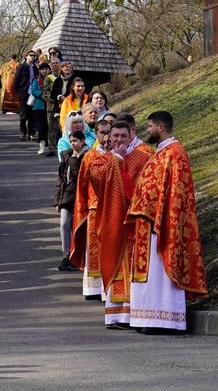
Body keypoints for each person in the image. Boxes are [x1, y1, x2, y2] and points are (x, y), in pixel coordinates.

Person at [126, 111, 208, 335]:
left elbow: (177, 193)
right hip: (148, 222)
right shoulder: (161, 152)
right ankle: (149, 318)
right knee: (150, 274)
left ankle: (166, 320)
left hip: (163, 223)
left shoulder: (176, 153)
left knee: (161, 274)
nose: (147, 130)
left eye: (150, 126)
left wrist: (161, 215)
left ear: (161, 127)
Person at [101, 115, 154, 329]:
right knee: (114, 260)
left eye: (124, 135)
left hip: (133, 220)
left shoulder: (142, 158)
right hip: (111, 218)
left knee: (132, 266)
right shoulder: (103, 158)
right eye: (115, 136)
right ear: (109, 138)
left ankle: (133, 314)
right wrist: (116, 160)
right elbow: (98, 183)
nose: (119, 140)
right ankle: (116, 315)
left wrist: (121, 164)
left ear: (132, 134)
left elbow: (140, 191)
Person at [69, 117, 116, 302]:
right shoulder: (90, 156)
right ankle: (94, 287)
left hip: (112, 209)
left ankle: (108, 285)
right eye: (102, 133)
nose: (105, 137)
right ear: (95, 134)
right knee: (94, 247)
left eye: (108, 133)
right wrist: (83, 208)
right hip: (94, 208)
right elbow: (81, 185)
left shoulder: (117, 153)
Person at [54, 130, 88, 271]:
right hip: (67, 197)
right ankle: (67, 254)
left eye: (76, 141)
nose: (73, 144)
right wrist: (58, 199)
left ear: (82, 141)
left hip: (82, 197)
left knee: (79, 227)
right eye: (71, 141)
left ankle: (79, 255)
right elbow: (62, 179)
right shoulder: (67, 155)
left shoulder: (88, 156)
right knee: (64, 225)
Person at [12, 50, 38, 140]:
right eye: (30, 55)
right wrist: (19, 91)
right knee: (23, 114)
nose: (32, 57)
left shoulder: (35, 68)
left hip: (33, 93)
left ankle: (31, 133)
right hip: (24, 93)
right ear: (26, 56)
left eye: (34, 55)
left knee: (32, 114)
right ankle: (23, 132)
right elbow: (16, 81)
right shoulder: (21, 67)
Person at [28, 62, 50, 155]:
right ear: (40, 70)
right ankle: (42, 145)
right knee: (41, 126)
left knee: (50, 126)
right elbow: (33, 90)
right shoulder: (36, 79)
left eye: (46, 69)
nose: (45, 71)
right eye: (43, 69)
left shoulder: (52, 78)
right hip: (39, 105)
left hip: (50, 105)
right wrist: (42, 95)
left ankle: (51, 144)